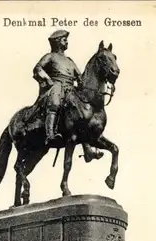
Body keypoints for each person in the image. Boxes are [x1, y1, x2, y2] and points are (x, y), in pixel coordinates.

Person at [33, 30, 104, 162]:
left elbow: (80, 78)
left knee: (83, 110)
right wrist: (48, 80)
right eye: (64, 39)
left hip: (70, 89)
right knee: (55, 102)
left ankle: (87, 148)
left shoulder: (69, 61)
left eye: (66, 39)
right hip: (56, 86)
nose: (66, 42)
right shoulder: (50, 56)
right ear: (57, 42)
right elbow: (38, 69)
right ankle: (50, 134)